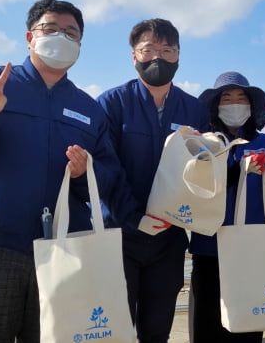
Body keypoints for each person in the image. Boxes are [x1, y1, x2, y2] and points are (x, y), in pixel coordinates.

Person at [0, 0, 127, 342]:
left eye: (70, 32)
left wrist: (83, 172)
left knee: (56, 336)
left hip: (65, 248)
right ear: (29, 37)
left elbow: (108, 177)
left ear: (79, 44)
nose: (60, 37)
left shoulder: (88, 109)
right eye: (50, 29)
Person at [96, 18, 209, 343]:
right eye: (148, 49)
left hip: (169, 240)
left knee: (158, 328)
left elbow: (201, 174)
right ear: (134, 55)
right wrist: (134, 217)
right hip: (119, 235)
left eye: (167, 50)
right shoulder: (111, 103)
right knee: (114, 328)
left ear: (178, 57)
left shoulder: (193, 108)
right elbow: (106, 166)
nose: (157, 57)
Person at [188, 71, 265, 342]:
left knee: (247, 325)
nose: (234, 103)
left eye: (241, 97)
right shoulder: (204, 143)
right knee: (205, 327)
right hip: (209, 248)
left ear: (252, 105)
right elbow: (198, 188)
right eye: (226, 98)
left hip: (252, 248)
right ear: (215, 105)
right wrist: (240, 172)